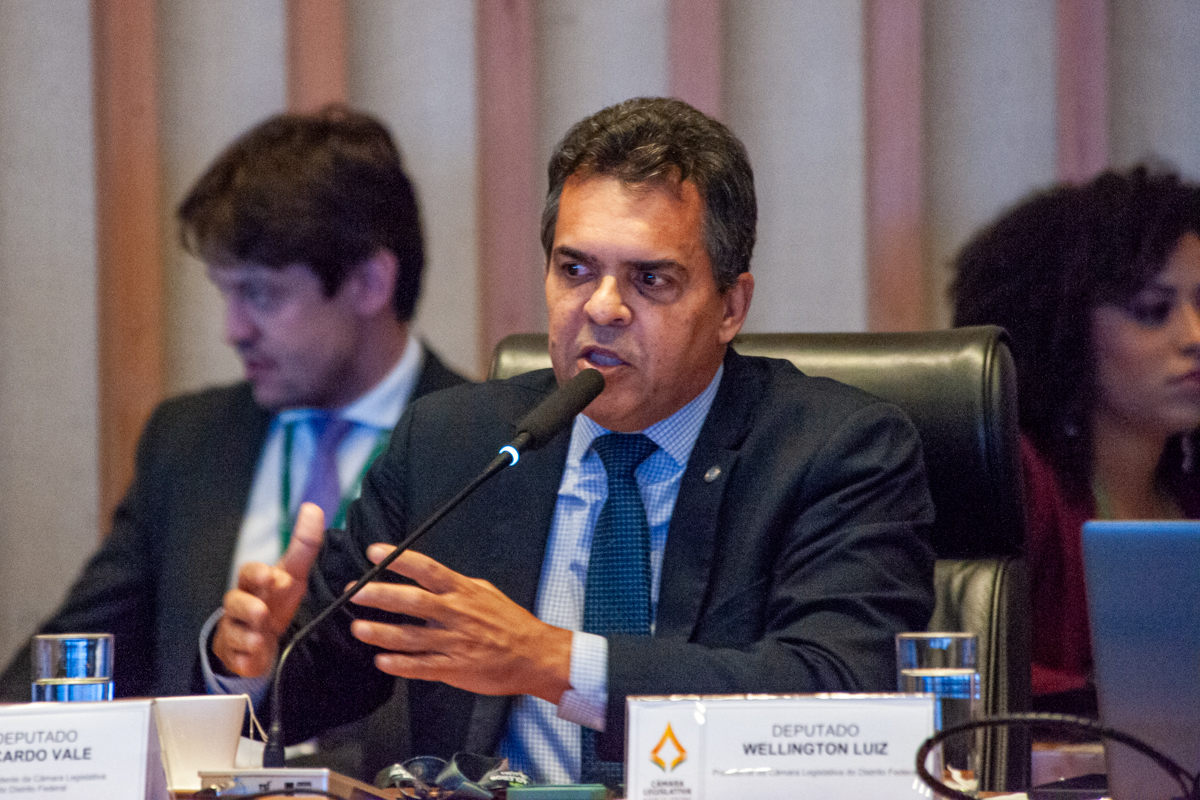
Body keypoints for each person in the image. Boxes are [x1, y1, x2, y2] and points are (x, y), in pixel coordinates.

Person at [210, 97, 936, 785]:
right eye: (575, 270)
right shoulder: (452, 445)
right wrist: (253, 659)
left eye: (650, 279)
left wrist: (551, 661)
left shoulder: (837, 452)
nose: (603, 308)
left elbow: (842, 694)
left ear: (730, 306)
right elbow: (320, 676)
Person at [0, 107, 468, 709]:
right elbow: (78, 654)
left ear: (370, 283)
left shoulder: (481, 448)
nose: (234, 330)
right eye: (227, 293)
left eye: (261, 294)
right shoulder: (187, 440)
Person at [953, 165, 1200, 716]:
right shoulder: (1018, 479)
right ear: (1060, 327)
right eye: (1153, 311)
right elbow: (972, 665)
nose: (1194, 337)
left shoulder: (1187, 487)